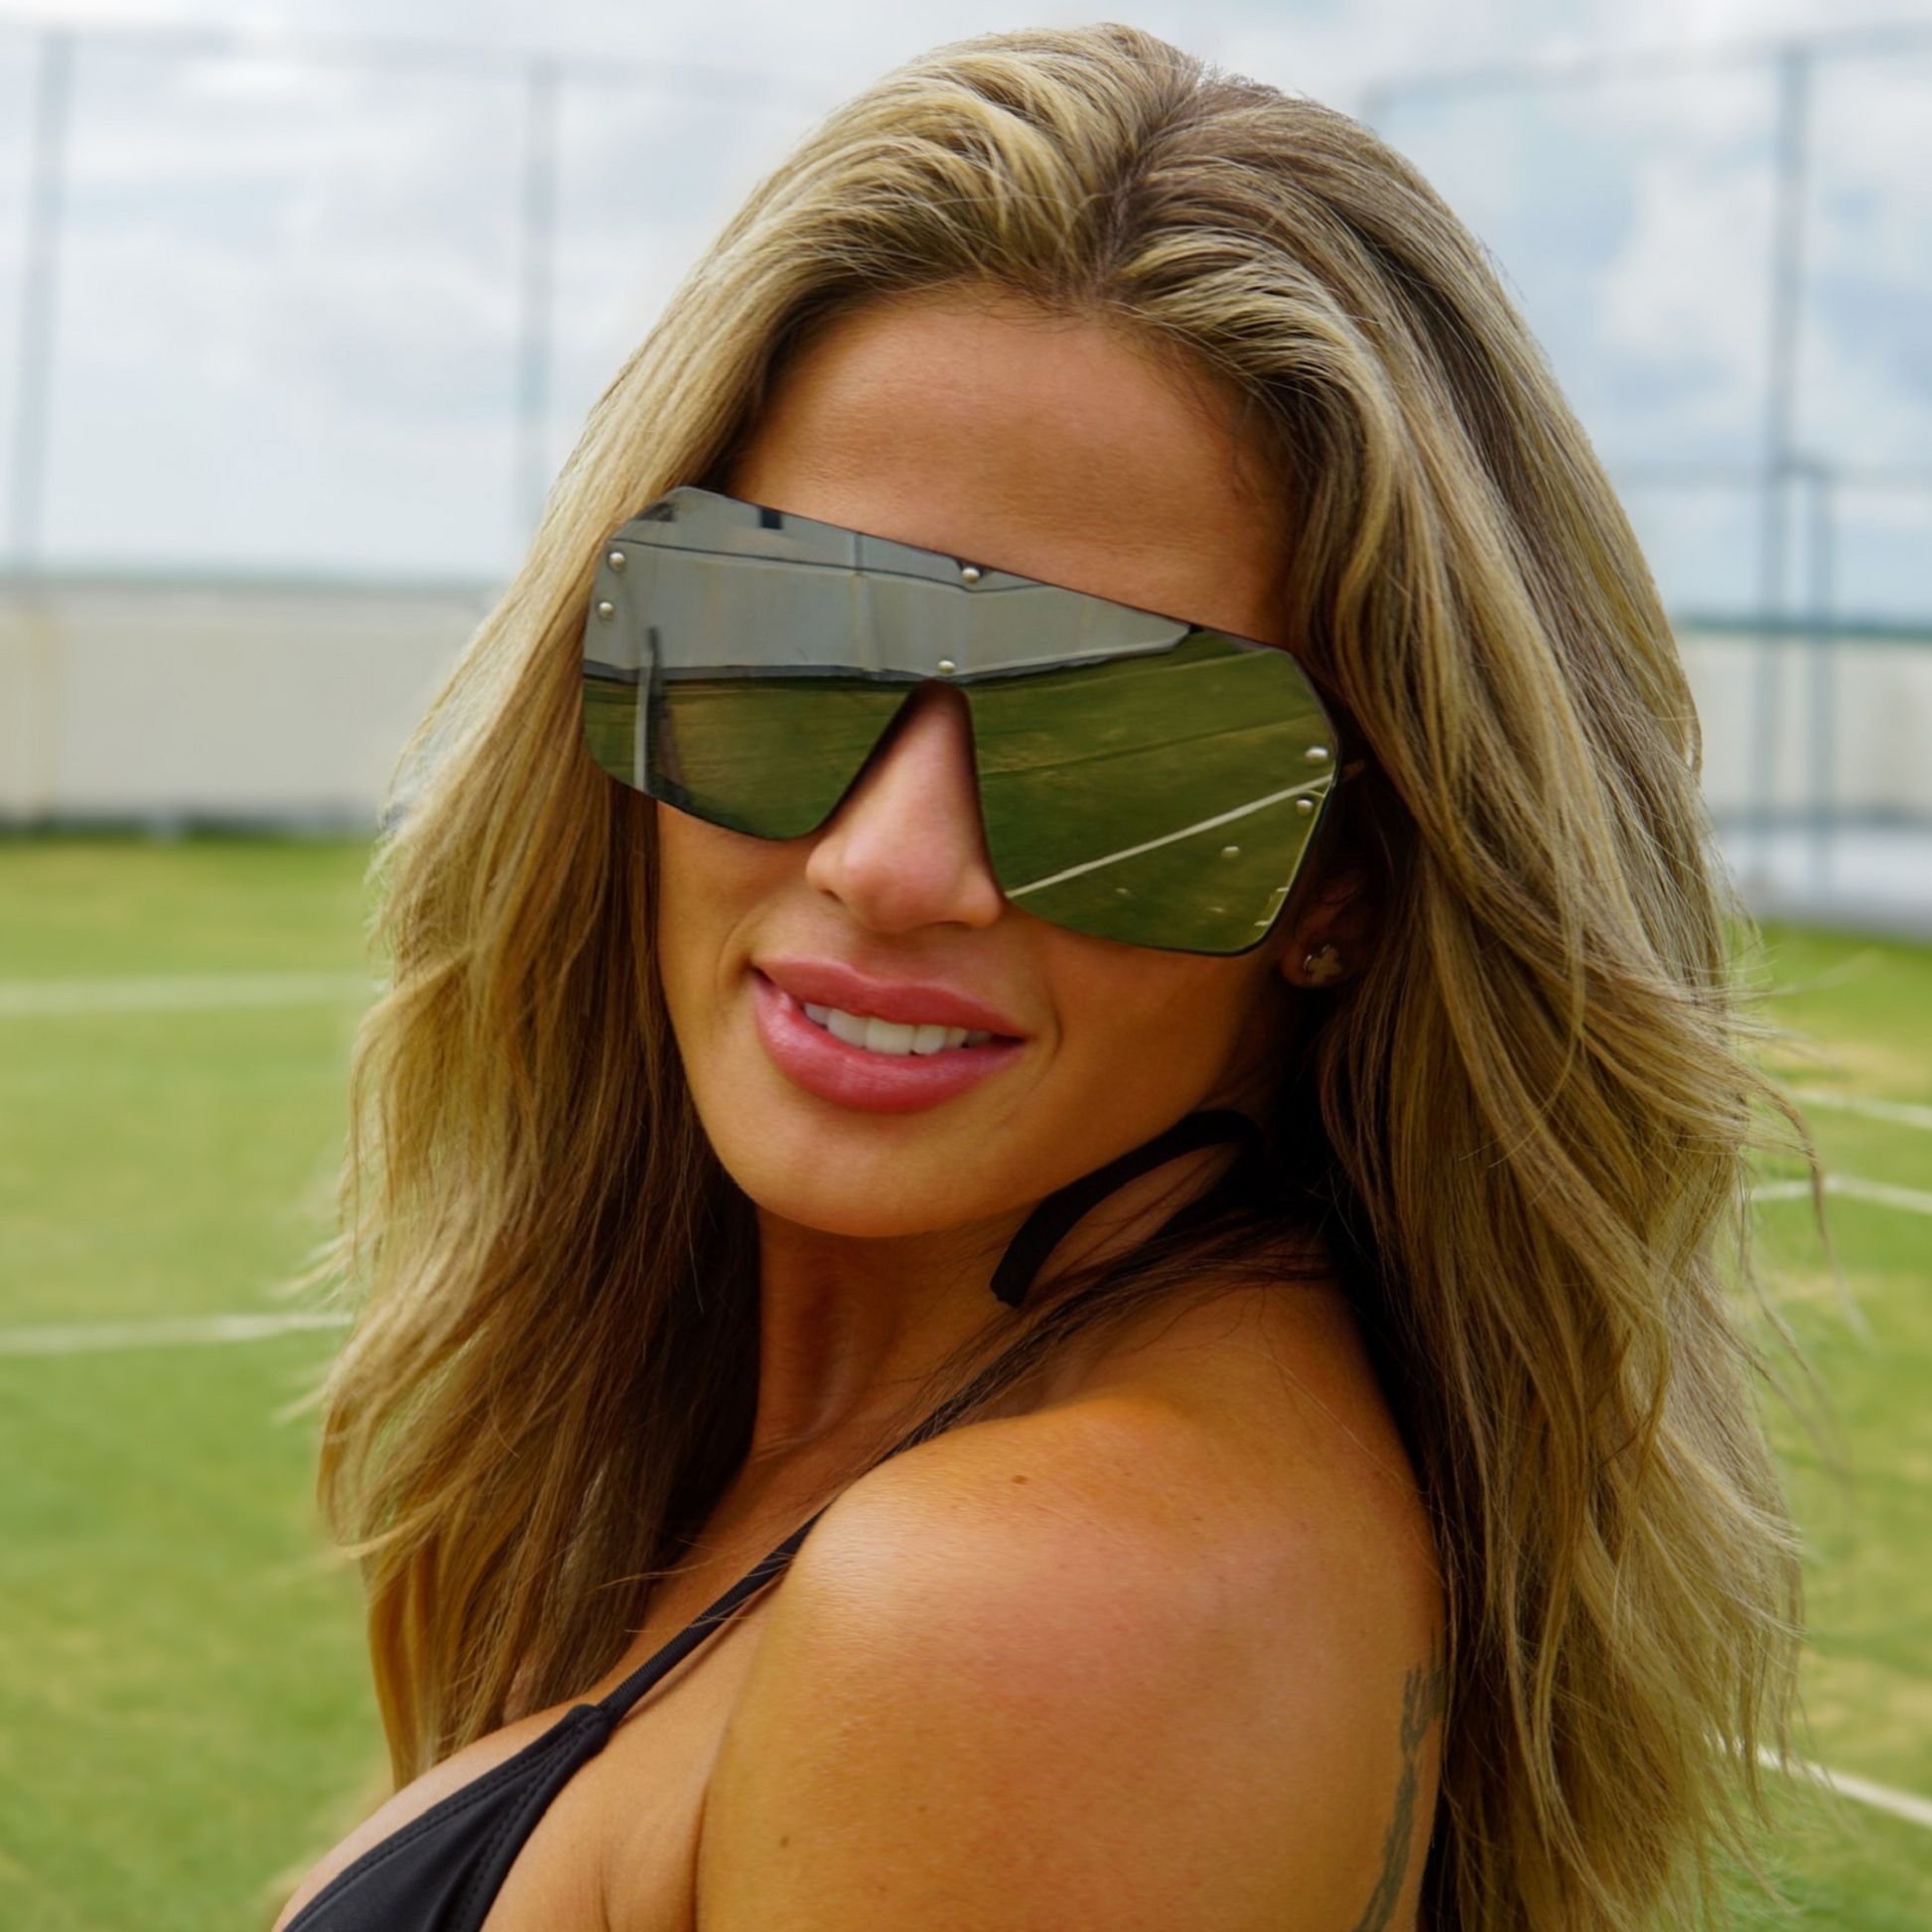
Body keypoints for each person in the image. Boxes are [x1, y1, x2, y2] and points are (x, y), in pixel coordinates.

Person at [276, 25, 1799, 1932]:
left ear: (1351, 871)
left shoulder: (1028, 1606)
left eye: (1121, 742)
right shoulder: (880, 1453)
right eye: (791, 644)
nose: (891, 861)